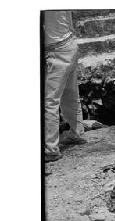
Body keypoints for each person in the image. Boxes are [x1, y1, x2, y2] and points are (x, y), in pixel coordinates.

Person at [44, 10, 86, 162]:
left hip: (55, 50)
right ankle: (77, 133)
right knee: (71, 94)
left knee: (49, 102)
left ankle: (50, 149)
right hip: (69, 43)